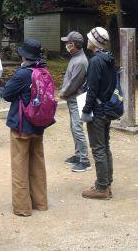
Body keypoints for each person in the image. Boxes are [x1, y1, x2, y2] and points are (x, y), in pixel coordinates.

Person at [2, 38, 50, 217]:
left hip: (21, 126)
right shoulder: (43, 70)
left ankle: (22, 207)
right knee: (38, 164)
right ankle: (41, 202)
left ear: (24, 56)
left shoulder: (23, 74)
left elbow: (6, 94)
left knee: (20, 166)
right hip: (39, 125)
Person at [81, 26, 117, 200]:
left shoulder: (95, 61)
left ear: (94, 42)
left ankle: (102, 188)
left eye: (89, 38)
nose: (87, 40)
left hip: (97, 110)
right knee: (105, 147)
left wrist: (86, 110)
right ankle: (106, 183)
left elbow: (92, 89)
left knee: (98, 148)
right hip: (107, 108)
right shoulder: (108, 59)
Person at [58, 31, 90, 172]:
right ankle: (78, 155)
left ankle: (84, 160)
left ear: (74, 44)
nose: (66, 45)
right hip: (73, 98)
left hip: (77, 98)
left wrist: (63, 93)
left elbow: (74, 83)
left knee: (77, 128)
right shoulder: (75, 57)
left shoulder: (80, 61)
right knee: (74, 127)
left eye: (68, 42)